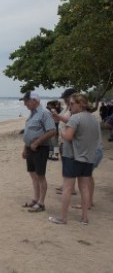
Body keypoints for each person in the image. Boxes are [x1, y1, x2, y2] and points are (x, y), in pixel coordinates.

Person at [48, 94, 100, 225]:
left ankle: (63, 218)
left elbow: (68, 136)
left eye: (71, 104)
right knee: (84, 188)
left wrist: (62, 132)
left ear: (80, 104)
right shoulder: (93, 119)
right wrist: (61, 118)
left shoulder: (75, 118)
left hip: (72, 157)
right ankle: (84, 217)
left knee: (67, 188)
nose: (69, 107)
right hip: (87, 158)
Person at [20, 91, 56, 213]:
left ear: (34, 100)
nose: (25, 104)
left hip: (40, 148)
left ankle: (41, 203)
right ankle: (35, 199)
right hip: (30, 148)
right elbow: (29, 132)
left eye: (26, 101)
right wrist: (26, 148)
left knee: (40, 176)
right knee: (33, 175)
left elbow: (52, 131)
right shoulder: (32, 114)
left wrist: (37, 142)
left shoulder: (44, 113)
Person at [52, 88, 76, 195]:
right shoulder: (67, 108)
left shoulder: (74, 109)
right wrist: (55, 116)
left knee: (70, 164)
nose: (65, 100)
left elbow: (70, 121)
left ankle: (71, 188)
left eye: (66, 97)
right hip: (62, 139)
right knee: (65, 164)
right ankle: (66, 185)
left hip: (69, 140)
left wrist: (57, 116)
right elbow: (60, 119)